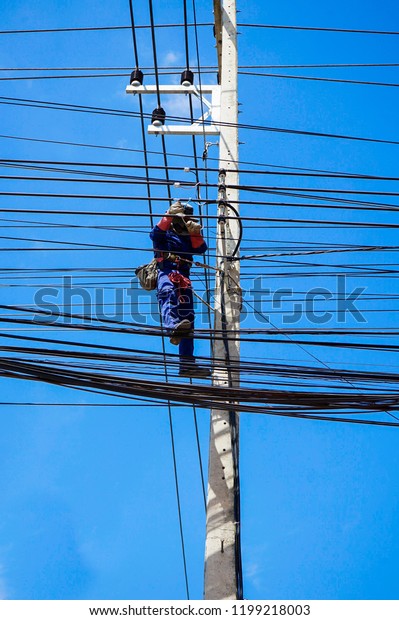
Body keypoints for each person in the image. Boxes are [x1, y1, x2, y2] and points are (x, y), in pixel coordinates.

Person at [150, 200, 210, 378]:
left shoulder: (186, 237)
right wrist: (168, 215)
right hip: (167, 272)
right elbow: (155, 234)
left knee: (188, 318)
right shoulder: (165, 234)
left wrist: (195, 232)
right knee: (169, 297)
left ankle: (187, 364)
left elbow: (201, 249)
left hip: (184, 277)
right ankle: (172, 328)